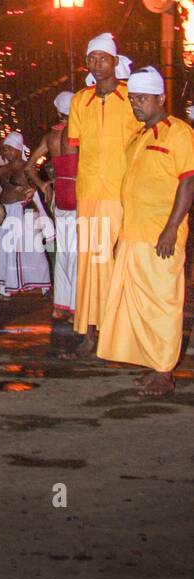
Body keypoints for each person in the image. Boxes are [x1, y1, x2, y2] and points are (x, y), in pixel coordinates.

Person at [97, 67, 194, 397]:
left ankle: (165, 372)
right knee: (137, 302)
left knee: (163, 302)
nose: (137, 104)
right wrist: (121, 237)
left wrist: (170, 229)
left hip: (160, 236)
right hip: (133, 234)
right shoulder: (138, 137)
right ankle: (153, 362)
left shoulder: (178, 133)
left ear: (160, 99)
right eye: (134, 98)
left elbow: (188, 182)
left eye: (144, 98)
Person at [64, 32, 140, 358]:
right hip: (89, 193)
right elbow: (75, 147)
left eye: (102, 58)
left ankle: (117, 336)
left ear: (114, 61)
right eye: (91, 58)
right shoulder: (80, 100)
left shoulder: (132, 98)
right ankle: (90, 335)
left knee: (117, 263)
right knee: (90, 263)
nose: (97, 63)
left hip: (122, 193)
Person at [0, 131, 51, 298]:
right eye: (5, 150)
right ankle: (7, 286)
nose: (6, 152)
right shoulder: (5, 168)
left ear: (18, 149)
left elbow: (37, 186)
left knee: (33, 249)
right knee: (6, 250)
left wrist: (36, 192)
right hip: (8, 214)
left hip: (25, 213)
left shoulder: (26, 167)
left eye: (10, 149)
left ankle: (41, 284)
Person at [26, 91, 78, 320]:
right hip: (79, 192)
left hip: (59, 194)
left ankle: (60, 305)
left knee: (63, 249)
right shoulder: (80, 133)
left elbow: (29, 167)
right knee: (77, 252)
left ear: (58, 111)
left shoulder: (50, 137)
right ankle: (77, 306)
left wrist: (45, 186)